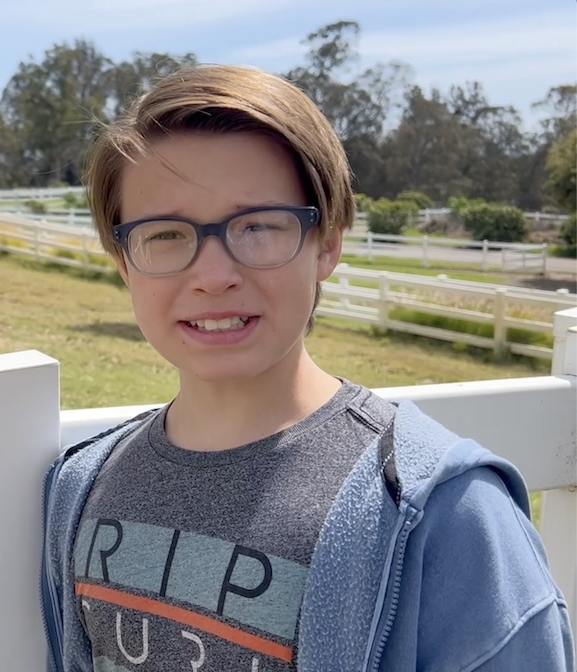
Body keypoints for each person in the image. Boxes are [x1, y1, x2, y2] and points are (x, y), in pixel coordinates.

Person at [39, 64, 574, 672]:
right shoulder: (80, 488)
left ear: (328, 243)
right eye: (165, 235)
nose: (214, 276)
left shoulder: (446, 515)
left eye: (259, 226)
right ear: (123, 261)